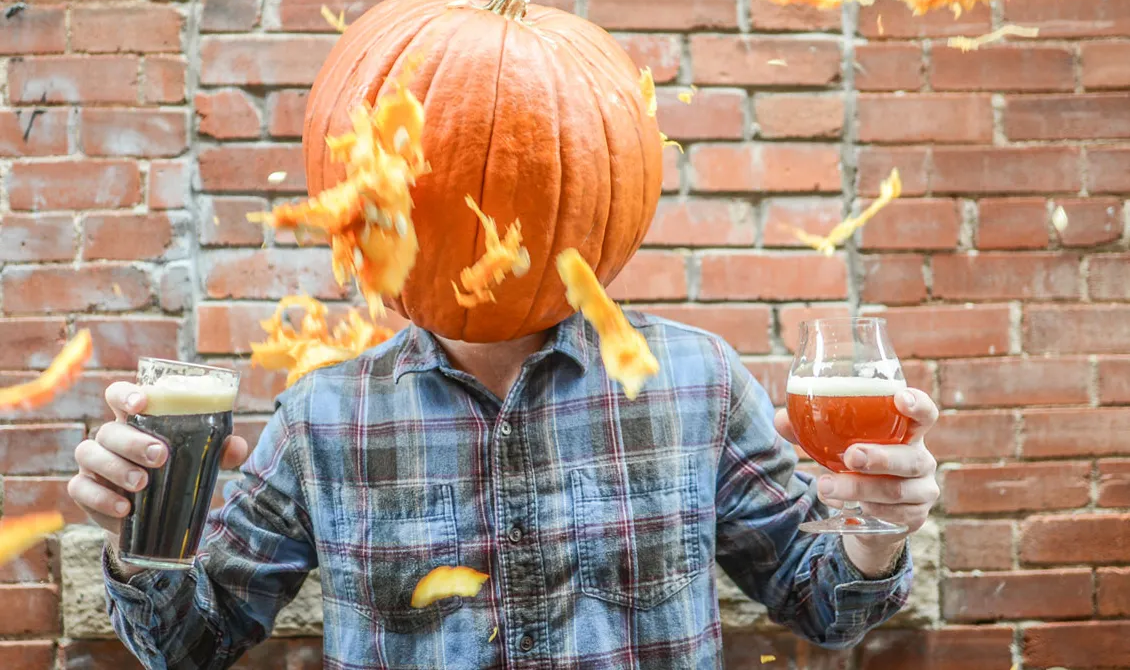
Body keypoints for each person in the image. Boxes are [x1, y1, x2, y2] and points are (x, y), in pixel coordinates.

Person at [69, 312, 940, 669]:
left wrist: (877, 533)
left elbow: (827, 606)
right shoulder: (323, 414)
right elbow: (187, 646)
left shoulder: (695, 378)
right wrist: (133, 534)